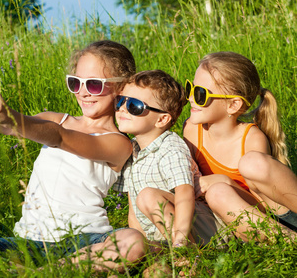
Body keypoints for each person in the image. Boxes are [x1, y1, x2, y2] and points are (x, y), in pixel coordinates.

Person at [0, 40, 149, 271]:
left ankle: (45, 272)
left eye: (94, 85)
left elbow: (60, 138)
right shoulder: (57, 119)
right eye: (76, 83)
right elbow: (9, 127)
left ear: (120, 87)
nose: (83, 92)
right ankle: (31, 269)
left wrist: (10, 117)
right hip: (28, 241)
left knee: (132, 242)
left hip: (84, 240)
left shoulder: (118, 142)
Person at [183, 51, 297, 241]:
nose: (191, 98)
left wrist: (226, 181)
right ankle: (289, 242)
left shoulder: (251, 138)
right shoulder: (192, 130)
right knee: (217, 193)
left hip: (277, 213)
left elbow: (263, 203)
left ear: (233, 105)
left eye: (201, 94)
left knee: (251, 164)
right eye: (190, 88)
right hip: (242, 220)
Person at [113, 70, 222, 248]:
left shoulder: (170, 147)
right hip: (163, 236)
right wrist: (144, 247)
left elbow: (185, 195)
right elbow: (133, 211)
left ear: (162, 119)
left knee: (147, 196)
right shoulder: (130, 150)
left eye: (134, 105)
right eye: (120, 101)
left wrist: (180, 241)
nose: (122, 108)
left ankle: (189, 254)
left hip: (197, 228)